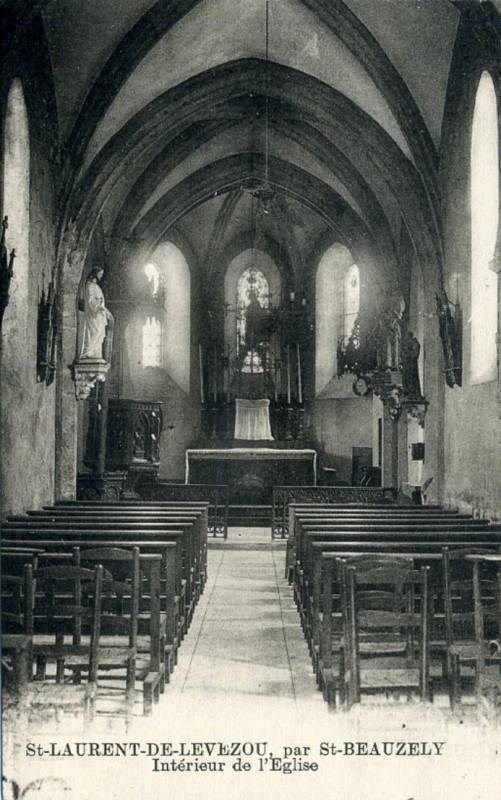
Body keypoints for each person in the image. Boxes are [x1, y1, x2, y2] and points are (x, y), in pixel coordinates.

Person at [79, 266, 113, 360]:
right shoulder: (89, 286)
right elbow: (90, 301)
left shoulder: (96, 286)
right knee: (96, 331)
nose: (101, 276)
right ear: (95, 273)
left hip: (99, 315)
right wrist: (98, 303)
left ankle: (95, 354)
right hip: (93, 315)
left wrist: (103, 308)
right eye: (100, 274)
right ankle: (88, 352)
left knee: (100, 332)